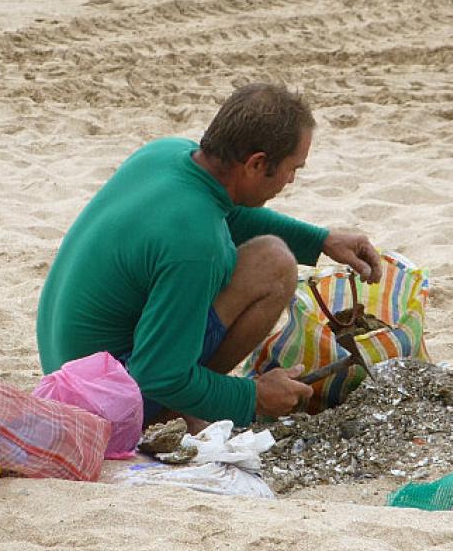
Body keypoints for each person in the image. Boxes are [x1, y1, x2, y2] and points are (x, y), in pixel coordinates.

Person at [36, 83, 382, 429]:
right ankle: (173, 413)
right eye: (294, 168)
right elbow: (157, 376)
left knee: (266, 253)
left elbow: (229, 212)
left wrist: (322, 240)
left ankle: (191, 399)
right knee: (274, 265)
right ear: (257, 163)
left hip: (64, 366)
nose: (291, 180)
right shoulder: (198, 246)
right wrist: (252, 395)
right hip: (101, 402)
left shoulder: (165, 154)